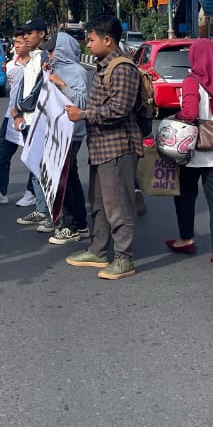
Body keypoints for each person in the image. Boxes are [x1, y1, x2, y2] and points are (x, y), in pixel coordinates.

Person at [65, 16, 143, 280]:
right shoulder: (103, 67)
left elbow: (119, 109)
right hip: (101, 147)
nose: (87, 45)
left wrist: (84, 114)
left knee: (119, 204)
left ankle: (124, 258)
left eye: (91, 39)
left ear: (107, 40)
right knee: (98, 202)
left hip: (118, 147)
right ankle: (99, 250)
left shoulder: (122, 68)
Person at [166, 39, 213, 268]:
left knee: (186, 196)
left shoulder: (192, 81)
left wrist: (173, 120)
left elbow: (188, 114)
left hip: (193, 150)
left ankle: (186, 238)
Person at [44, 32, 89, 245]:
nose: (50, 54)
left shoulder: (77, 71)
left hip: (72, 132)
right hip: (57, 131)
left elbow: (82, 101)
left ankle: (72, 225)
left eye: (53, 50)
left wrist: (62, 84)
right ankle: (78, 224)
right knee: (70, 178)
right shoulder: (54, 69)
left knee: (64, 178)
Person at [12, 18, 52, 226]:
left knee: (44, 168)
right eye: (23, 33)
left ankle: (50, 212)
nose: (25, 37)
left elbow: (40, 92)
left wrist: (24, 107)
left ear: (42, 35)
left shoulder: (46, 58)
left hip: (40, 120)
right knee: (34, 166)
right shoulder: (31, 59)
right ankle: (41, 208)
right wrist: (18, 111)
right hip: (28, 120)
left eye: (30, 33)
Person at [0, 27, 29, 207]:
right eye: (15, 43)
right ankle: (0, 191)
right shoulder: (11, 65)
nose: (17, 46)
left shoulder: (38, 65)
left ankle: (32, 192)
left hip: (29, 118)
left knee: (31, 156)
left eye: (20, 43)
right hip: (10, 116)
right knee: (2, 155)